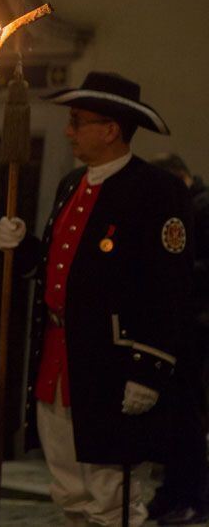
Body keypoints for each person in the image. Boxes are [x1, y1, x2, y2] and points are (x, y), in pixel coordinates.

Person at [0, 72, 193, 526]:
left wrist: (147, 369)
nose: (69, 131)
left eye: (78, 121)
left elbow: (170, 290)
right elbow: (56, 268)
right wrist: (20, 246)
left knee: (112, 495)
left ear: (111, 129)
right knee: (69, 490)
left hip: (111, 366)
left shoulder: (157, 191)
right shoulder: (71, 185)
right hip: (60, 362)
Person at [146, 153, 209, 525]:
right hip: (182, 323)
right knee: (173, 414)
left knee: (186, 415)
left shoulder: (200, 208)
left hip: (195, 324)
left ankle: (192, 496)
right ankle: (173, 491)